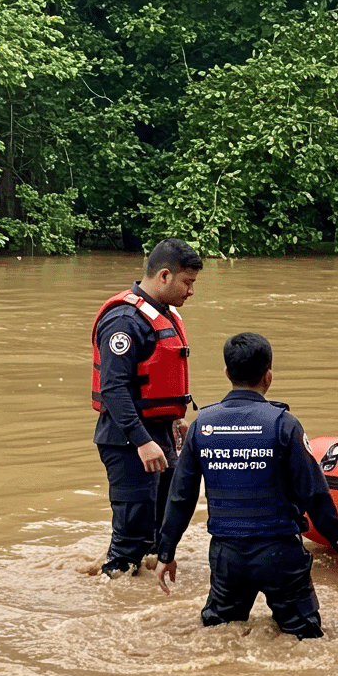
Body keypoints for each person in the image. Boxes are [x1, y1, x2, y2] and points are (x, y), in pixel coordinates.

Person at [155, 333, 338, 639]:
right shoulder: (283, 424)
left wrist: (166, 552)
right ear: (269, 376)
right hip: (279, 551)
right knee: (305, 637)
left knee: (220, 634)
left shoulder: (201, 425)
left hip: (226, 554)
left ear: (227, 374)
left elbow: (181, 496)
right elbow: (313, 492)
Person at [91, 238, 202, 577]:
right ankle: (112, 600)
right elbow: (113, 389)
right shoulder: (125, 320)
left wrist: (173, 423)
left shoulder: (164, 315)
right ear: (165, 276)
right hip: (129, 441)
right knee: (131, 541)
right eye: (188, 282)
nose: (191, 291)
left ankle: (143, 597)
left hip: (159, 435)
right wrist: (142, 441)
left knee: (159, 533)